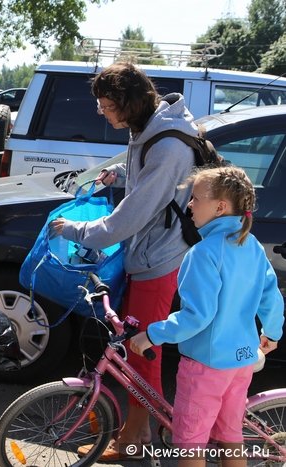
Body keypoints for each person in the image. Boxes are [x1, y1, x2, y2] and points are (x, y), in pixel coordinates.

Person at [51, 62, 197, 460]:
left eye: (105, 106)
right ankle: (139, 431)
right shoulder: (148, 129)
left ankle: (135, 440)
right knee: (135, 346)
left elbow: (127, 220)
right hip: (150, 251)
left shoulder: (167, 145)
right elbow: (147, 176)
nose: (101, 113)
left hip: (160, 257)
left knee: (142, 348)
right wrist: (119, 173)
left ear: (126, 103)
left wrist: (75, 231)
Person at [130, 166, 283, 467]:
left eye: (196, 198)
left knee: (190, 440)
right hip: (241, 361)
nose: (189, 205)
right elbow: (271, 296)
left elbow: (197, 317)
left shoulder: (202, 253)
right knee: (230, 433)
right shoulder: (250, 246)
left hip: (205, 367)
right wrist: (273, 333)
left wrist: (151, 334)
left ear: (220, 207)